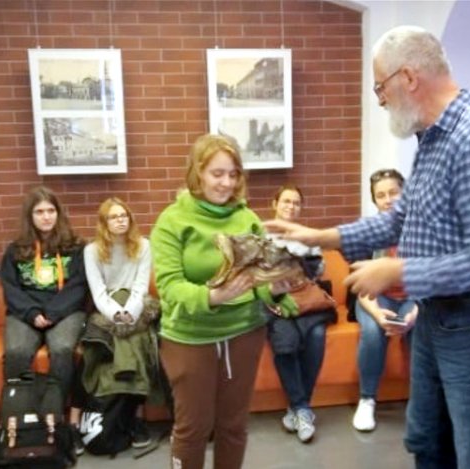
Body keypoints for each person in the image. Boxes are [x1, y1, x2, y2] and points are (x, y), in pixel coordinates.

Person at [265, 25, 470, 469]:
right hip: (437, 317)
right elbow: (401, 219)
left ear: (408, 77)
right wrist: (320, 237)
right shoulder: (434, 139)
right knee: (427, 441)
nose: (379, 98)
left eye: (379, 86)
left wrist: (399, 274)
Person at [151, 134, 296, 469]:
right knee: (193, 429)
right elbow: (169, 286)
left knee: (233, 426)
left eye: (233, 174)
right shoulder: (172, 220)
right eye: (217, 173)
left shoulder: (247, 219)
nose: (226, 182)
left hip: (244, 332)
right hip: (190, 337)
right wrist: (212, 296)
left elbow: (257, 277)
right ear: (198, 173)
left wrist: (274, 288)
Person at [70, 197, 154, 454]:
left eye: (124, 216)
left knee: (140, 343)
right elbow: (98, 291)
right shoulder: (91, 250)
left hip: (137, 306)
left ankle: (137, 417)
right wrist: (117, 315)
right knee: (93, 348)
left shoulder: (143, 246)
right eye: (114, 217)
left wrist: (130, 312)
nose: (120, 221)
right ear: (104, 223)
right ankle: (75, 422)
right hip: (106, 309)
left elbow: (140, 286)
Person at [0, 186, 87, 402]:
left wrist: (53, 312)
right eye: (39, 212)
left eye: (51, 211)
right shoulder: (15, 249)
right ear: (30, 216)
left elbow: (79, 285)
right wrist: (31, 312)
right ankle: (21, 410)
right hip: (25, 312)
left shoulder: (76, 247)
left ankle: (54, 409)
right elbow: (10, 287)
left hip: (65, 311)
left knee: (63, 349)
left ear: (58, 213)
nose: (46, 217)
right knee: (16, 351)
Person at [266, 185, 336, 443]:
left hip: (305, 301)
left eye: (296, 203)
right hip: (275, 300)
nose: (291, 206)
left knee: (317, 334)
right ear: (275, 203)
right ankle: (302, 407)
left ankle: (298, 408)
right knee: (285, 340)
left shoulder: (308, 236)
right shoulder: (262, 235)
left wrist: (308, 259)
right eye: (286, 201)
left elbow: (318, 273)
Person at [352, 169, 418, 432]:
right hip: (375, 297)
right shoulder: (368, 232)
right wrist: (378, 314)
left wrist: (416, 313)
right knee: (371, 330)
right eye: (381, 195)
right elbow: (360, 286)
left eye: (393, 192)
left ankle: (422, 403)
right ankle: (367, 400)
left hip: (415, 297)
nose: (388, 199)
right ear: (374, 200)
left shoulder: (424, 230)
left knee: (421, 331)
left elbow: (434, 282)